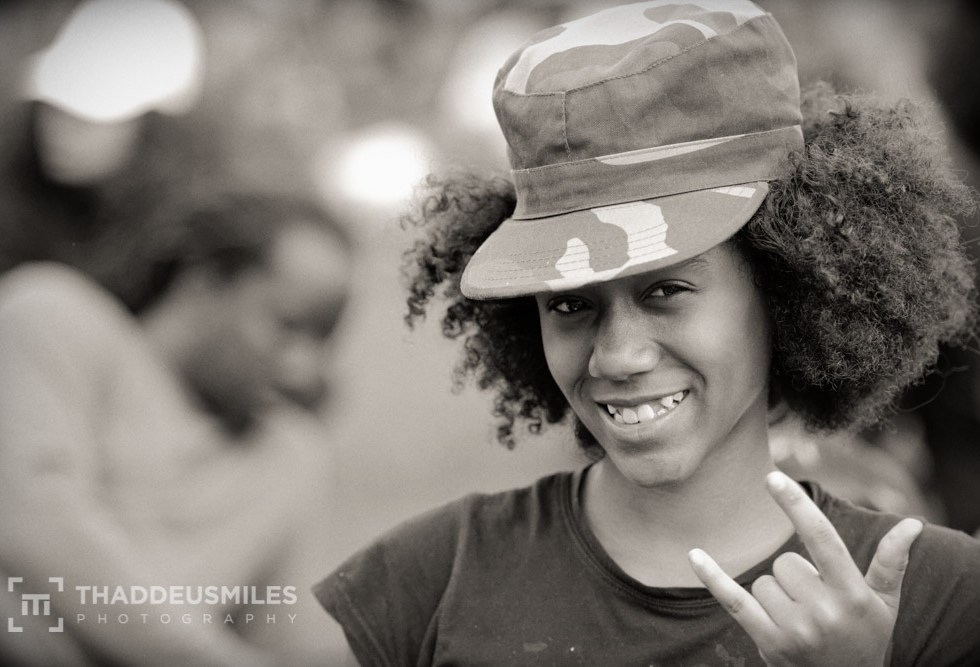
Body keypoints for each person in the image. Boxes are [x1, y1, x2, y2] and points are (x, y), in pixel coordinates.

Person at [314, 2, 980, 665]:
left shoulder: (944, 602)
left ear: (787, 281)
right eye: (569, 304)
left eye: (666, 291)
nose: (618, 356)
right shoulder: (426, 586)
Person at [0, 189, 351, 666]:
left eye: (324, 339)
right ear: (205, 283)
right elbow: (37, 529)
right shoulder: (56, 318)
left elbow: (288, 642)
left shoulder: (290, 456)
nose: (304, 368)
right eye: (287, 325)